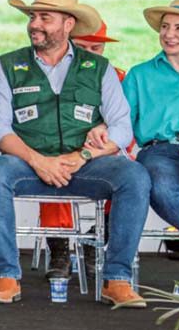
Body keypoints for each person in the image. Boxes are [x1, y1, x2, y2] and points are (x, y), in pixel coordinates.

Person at [0, 0, 150, 308]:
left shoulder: (99, 68)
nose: (35, 24)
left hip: (85, 166)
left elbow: (122, 129)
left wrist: (82, 155)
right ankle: (5, 276)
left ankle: (116, 280)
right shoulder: (5, 65)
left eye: (45, 17)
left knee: (135, 176)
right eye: (32, 17)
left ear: (68, 24)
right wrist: (38, 160)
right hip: (27, 164)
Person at [120, 0, 179, 254]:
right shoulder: (139, 74)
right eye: (165, 27)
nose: (169, 34)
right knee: (160, 187)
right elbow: (120, 121)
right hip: (158, 151)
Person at [40, 17, 123, 279]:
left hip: (101, 150)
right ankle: (60, 248)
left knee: (128, 169)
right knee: (53, 162)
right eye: (83, 47)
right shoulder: (51, 74)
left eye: (95, 49)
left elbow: (124, 121)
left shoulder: (117, 75)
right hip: (65, 151)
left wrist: (100, 140)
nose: (89, 54)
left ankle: (100, 237)